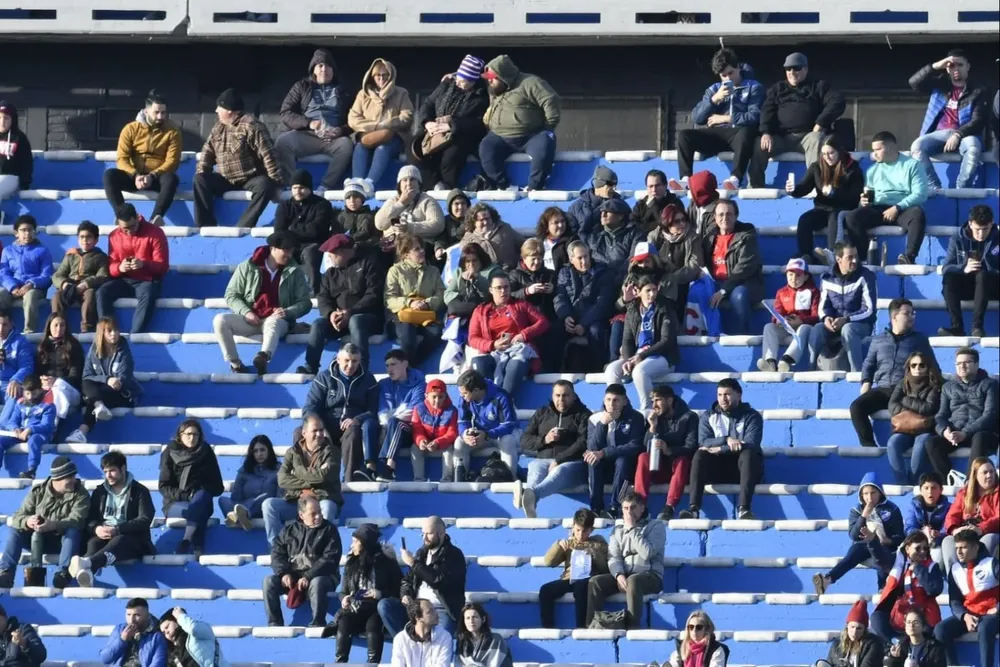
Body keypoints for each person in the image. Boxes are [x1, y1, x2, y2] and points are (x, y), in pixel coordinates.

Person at [214, 231, 311, 375]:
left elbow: (305, 302)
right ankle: (235, 364)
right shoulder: (247, 266)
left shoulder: (295, 271)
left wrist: (288, 311)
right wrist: (246, 312)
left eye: (291, 251)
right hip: (251, 318)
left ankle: (263, 356)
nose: (289, 255)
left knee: (273, 321)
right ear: (273, 248)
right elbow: (231, 295)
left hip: (279, 320)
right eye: (286, 250)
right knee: (220, 320)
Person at [750, 52, 845, 188]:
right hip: (781, 138)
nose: (792, 72)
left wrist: (820, 123)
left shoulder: (818, 86)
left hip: (807, 136)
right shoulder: (778, 89)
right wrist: (765, 131)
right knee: (760, 143)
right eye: (788, 69)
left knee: (817, 139)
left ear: (805, 69)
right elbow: (767, 110)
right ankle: (755, 187)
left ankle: (816, 185)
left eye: (797, 68)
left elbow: (837, 101)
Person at [674, 47, 764, 191]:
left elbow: (754, 116)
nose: (728, 78)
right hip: (716, 135)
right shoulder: (714, 90)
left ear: (738, 68)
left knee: (746, 132)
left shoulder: (753, 87)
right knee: (684, 136)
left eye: (731, 73)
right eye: (724, 75)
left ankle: (735, 178)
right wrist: (714, 100)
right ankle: (685, 179)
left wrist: (726, 118)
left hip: (739, 135)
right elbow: (697, 117)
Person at [194, 89, 281, 228]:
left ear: (229, 110)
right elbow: (207, 153)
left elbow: (269, 155)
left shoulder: (252, 126)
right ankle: (205, 226)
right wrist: (202, 171)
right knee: (200, 179)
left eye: (219, 107)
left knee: (266, 185)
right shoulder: (218, 127)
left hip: (250, 178)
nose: (216, 111)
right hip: (226, 179)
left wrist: (277, 183)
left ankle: (244, 225)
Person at [297, 234, 383, 375]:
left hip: (367, 318)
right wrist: (331, 314)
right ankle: (310, 367)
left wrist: (350, 312)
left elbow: (373, 295)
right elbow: (323, 298)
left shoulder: (369, 265)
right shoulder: (330, 274)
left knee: (355, 321)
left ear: (343, 252)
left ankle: (361, 367)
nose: (329, 257)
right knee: (318, 324)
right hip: (340, 321)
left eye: (332, 254)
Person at [852, 299, 932, 448]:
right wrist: (866, 381)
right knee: (856, 407)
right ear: (894, 317)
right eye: (907, 313)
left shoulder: (919, 340)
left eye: (912, 313)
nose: (912, 317)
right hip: (883, 389)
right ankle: (869, 446)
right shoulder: (878, 340)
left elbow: (932, 366)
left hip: (906, 391)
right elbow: (869, 364)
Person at [679, 379, 764, 521]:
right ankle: (693, 508)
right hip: (717, 469)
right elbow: (703, 441)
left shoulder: (752, 416)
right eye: (719, 395)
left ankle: (744, 509)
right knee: (700, 454)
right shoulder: (708, 415)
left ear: (739, 395)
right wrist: (726, 440)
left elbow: (751, 443)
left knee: (748, 454)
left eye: (727, 394)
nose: (723, 399)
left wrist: (721, 448)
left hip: (742, 470)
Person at [475, 55, 560, 192]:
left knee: (544, 148)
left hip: (532, 135)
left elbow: (550, 100)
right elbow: (467, 81)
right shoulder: (495, 88)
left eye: (492, 77)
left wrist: (549, 126)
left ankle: (535, 187)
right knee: (486, 148)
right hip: (500, 136)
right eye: (488, 77)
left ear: (503, 76)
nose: (489, 80)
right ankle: (504, 186)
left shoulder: (530, 82)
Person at [842, 131, 929, 265]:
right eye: (873, 150)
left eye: (878, 149)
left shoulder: (913, 165)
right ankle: (864, 259)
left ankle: (908, 257)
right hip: (878, 208)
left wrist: (897, 207)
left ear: (890, 148)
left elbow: (920, 194)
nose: (874, 153)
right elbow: (867, 195)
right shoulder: (872, 171)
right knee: (852, 218)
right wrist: (863, 201)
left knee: (917, 214)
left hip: (903, 208)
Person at [70, 451, 155, 587]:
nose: (108, 475)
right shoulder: (100, 492)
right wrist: (96, 528)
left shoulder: (139, 491)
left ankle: (87, 563)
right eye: (105, 471)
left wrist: (118, 529)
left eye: (112, 471)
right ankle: (88, 573)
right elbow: (90, 519)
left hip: (132, 538)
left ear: (123, 468)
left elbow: (145, 519)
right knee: (93, 543)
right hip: (105, 535)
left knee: (119, 540)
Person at [0, 456, 86, 589]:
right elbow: (18, 516)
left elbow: (78, 520)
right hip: (37, 539)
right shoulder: (38, 492)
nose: (74, 481)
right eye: (69, 478)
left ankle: (63, 573)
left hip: (61, 541)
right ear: (57, 479)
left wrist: (53, 525)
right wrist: (28, 521)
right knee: (15, 529)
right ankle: (6, 573)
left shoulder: (81, 494)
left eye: (74, 476)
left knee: (73, 531)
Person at [812, 472, 904, 595]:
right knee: (851, 556)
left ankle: (882, 587)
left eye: (873, 493)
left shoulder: (892, 509)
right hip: (864, 545)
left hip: (885, 546)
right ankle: (827, 579)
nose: (869, 498)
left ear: (880, 492)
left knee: (881, 556)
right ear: (861, 494)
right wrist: (864, 516)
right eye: (865, 494)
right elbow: (853, 535)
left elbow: (900, 536)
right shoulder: (856, 510)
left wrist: (888, 540)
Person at [909, 50, 988, 189]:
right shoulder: (939, 85)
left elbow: (978, 120)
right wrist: (935, 66)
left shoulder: (978, 90)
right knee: (916, 147)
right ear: (946, 68)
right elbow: (914, 82)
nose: (956, 68)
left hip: (965, 134)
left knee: (974, 148)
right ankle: (935, 188)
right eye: (951, 65)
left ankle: (962, 189)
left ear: (967, 66)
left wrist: (958, 134)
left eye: (960, 64)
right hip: (939, 134)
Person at [585, 491, 665, 629]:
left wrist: (632, 529)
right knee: (595, 582)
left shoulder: (656, 526)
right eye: (625, 508)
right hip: (625, 574)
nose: (629, 512)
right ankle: (592, 626)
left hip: (650, 576)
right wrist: (618, 574)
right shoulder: (617, 531)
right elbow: (613, 557)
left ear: (642, 508)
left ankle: (633, 627)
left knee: (633, 581)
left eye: (633, 507)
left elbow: (647, 553)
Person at [275, 49, 353, 190]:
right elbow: (285, 113)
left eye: (328, 66)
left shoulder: (343, 90)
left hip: (333, 138)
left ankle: (325, 186)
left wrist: (340, 130)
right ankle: (291, 186)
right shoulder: (301, 86)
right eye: (320, 66)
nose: (324, 70)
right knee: (283, 142)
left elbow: (355, 120)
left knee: (347, 145)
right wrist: (309, 123)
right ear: (314, 69)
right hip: (307, 134)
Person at [379, 516, 466, 637]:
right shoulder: (422, 553)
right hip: (417, 608)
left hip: (440, 609)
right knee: (385, 605)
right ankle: (408, 643)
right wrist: (406, 595)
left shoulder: (454, 555)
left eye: (429, 534)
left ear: (441, 534)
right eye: (422, 534)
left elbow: (437, 580)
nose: (424, 538)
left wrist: (413, 563)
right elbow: (407, 580)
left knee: (439, 640)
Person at [411, 55, 490, 190]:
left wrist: (451, 124)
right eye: (457, 78)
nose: (457, 82)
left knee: (450, 157)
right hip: (434, 131)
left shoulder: (481, 96)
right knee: (414, 149)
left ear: (472, 81)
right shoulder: (447, 84)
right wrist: (427, 123)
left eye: (462, 81)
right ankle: (434, 184)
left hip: (459, 135)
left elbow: (479, 123)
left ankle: (449, 188)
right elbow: (428, 104)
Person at [103, 91, 181, 225]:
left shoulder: (173, 132)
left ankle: (156, 217)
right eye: (156, 112)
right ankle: (122, 215)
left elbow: (172, 161)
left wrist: (153, 175)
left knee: (172, 178)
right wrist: (135, 175)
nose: (160, 116)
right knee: (109, 175)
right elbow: (122, 159)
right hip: (133, 177)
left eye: (163, 113)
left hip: (157, 178)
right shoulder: (130, 129)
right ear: (146, 111)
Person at [326, 523, 401, 663]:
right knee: (344, 624)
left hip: (376, 609)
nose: (352, 545)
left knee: (373, 628)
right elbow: (343, 591)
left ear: (365, 544)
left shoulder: (386, 563)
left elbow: (398, 591)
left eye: (356, 541)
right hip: (356, 607)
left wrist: (378, 594)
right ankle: (340, 662)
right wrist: (344, 598)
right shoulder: (351, 563)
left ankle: (373, 663)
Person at [262, 414, 343, 543]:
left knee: (326, 508)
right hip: (297, 501)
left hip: (323, 498)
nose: (319, 434)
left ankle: (319, 548)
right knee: (269, 505)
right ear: (304, 433)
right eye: (315, 431)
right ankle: (276, 548)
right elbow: (282, 479)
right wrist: (302, 491)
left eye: (321, 430)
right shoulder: (292, 452)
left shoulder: (333, 452)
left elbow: (323, 477)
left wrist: (298, 471)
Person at [303, 344, 379, 481]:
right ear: (338, 360)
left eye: (355, 361)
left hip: (350, 427)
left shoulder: (368, 380)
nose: (350, 365)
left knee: (354, 431)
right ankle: (308, 478)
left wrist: (357, 419)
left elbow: (373, 411)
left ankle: (350, 479)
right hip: (327, 425)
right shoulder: (324, 378)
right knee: (301, 431)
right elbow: (310, 408)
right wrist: (320, 427)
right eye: (347, 361)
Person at [263, 496, 342, 628]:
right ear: (301, 515)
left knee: (317, 582)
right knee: (268, 581)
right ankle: (274, 622)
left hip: (322, 577)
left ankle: (318, 621)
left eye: (320, 512)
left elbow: (330, 559)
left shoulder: (329, 530)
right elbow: (277, 553)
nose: (318, 516)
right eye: (313, 514)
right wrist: (283, 573)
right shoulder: (288, 531)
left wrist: (309, 576)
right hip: (295, 577)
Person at [516, 381, 591, 519]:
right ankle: (530, 498)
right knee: (534, 465)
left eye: (565, 395)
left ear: (573, 396)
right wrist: (545, 439)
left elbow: (584, 442)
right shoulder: (542, 413)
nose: (561, 400)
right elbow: (524, 441)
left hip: (573, 463)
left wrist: (559, 459)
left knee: (559, 470)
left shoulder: (584, 414)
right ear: (552, 396)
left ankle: (532, 494)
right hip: (544, 460)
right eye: (557, 395)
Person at [468, 272, 549, 396]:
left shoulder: (520, 305)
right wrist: (493, 345)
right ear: (490, 290)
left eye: (506, 287)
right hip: (494, 352)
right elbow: (473, 338)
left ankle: (505, 402)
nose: (503, 291)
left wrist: (523, 335)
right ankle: (489, 402)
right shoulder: (480, 311)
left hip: (518, 350)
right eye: (498, 288)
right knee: (478, 362)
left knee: (515, 364)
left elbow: (543, 322)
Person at [64, 317, 140, 444]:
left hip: (122, 393)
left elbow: (124, 376)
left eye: (116, 330)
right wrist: (107, 379)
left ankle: (82, 430)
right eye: (109, 331)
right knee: (88, 385)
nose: (113, 334)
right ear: (101, 333)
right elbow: (87, 375)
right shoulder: (95, 349)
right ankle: (99, 406)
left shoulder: (123, 350)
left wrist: (112, 381)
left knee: (94, 397)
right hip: (101, 391)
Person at [606, 276, 679, 410]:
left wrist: (642, 356)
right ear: (638, 291)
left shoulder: (665, 307)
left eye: (654, 290)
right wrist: (628, 360)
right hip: (638, 356)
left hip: (662, 357)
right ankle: (621, 408)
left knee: (639, 371)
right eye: (647, 290)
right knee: (612, 370)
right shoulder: (632, 310)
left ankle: (647, 409)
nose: (652, 294)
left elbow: (666, 340)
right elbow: (627, 339)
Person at [787, 136, 864, 262]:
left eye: (831, 153)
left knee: (835, 217)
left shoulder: (853, 168)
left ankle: (832, 254)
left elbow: (854, 196)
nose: (827, 157)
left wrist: (834, 193)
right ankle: (806, 255)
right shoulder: (817, 167)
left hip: (844, 209)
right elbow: (804, 187)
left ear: (840, 151)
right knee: (805, 220)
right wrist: (793, 190)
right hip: (822, 209)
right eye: (824, 154)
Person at [97, 203, 169, 334]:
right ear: (118, 224)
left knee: (148, 294)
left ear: (137, 217)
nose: (129, 231)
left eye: (132, 226)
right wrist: (120, 267)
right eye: (125, 229)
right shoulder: (114, 236)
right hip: (125, 280)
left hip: (148, 280)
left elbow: (163, 266)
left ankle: (135, 334)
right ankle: (108, 332)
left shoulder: (155, 233)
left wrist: (144, 264)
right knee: (102, 292)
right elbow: (111, 267)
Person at [927, 347, 998, 477]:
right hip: (957, 433)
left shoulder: (990, 384)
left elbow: (990, 415)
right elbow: (941, 415)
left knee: (980, 437)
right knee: (932, 443)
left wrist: (965, 433)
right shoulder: (948, 387)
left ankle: (970, 481)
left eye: (966, 362)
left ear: (976, 364)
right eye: (958, 363)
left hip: (983, 433)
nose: (962, 366)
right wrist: (945, 431)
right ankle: (947, 479)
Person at [807, 242, 878, 372]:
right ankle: (810, 372)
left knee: (848, 329)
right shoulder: (827, 278)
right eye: (850, 257)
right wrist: (826, 318)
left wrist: (846, 319)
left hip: (859, 325)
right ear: (838, 259)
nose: (855, 260)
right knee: (817, 329)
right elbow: (823, 307)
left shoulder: (866, 276)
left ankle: (857, 374)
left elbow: (869, 310)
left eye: (856, 256)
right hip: (835, 324)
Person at [935, 528, 999, 667]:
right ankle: (953, 665)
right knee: (940, 630)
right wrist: (964, 616)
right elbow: (955, 601)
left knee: (985, 627)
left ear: (975, 547)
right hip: (971, 614)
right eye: (957, 547)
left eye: (963, 547)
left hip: (993, 615)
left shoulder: (991, 563)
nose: (958, 552)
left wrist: (998, 609)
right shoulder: (955, 570)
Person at [159, 419, 224, 557]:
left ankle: (186, 539)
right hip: (174, 503)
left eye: (196, 434)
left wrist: (202, 488)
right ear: (180, 435)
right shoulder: (170, 452)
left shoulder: (206, 452)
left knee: (201, 497)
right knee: (199, 511)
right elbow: (163, 486)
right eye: (188, 434)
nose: (192, 437)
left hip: (201, 500)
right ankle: (197, 546)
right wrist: (186, 496)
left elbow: (218, 487)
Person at [634, 386, 698, 521]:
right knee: (643, 457)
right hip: (658, 467)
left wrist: (669, 450)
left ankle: (669, 506)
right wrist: (652, 427)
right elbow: (645, 446)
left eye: (658, 400)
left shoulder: (689, 417)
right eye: (652, 401)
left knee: (682, 460)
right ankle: (640, 506)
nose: (654, 405)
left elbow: (691, 447)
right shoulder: (655, 418)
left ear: (669, 400)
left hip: (680, 470)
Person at [538, 508, 609, 629]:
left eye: (585, 531)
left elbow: (606, 569)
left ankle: (581, 627)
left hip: (588, 579)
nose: (580, 535)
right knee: (545, 590)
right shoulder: (568, 543)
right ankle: (548, 628)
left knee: (581, 587)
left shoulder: (598, 543)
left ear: (591, 530)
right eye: (578, 530)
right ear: (573, 527)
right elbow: (549, 562)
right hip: (569, 578)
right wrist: (558, 546)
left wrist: (595, 554)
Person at [702, 199, 764, 334]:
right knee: (696, 291)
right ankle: (703, 333)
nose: (725, 218)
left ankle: (743, 335)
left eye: (729, 214)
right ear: (715, 217)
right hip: (715, 282)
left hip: (741, 283)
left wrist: (723, 290)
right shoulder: (709, 237)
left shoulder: (746, 235)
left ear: (736, 216)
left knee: (739, 296)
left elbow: (745, 268)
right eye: (721, 214)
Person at [870, 531, 944, 643]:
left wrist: (918, 569)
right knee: (877, 618)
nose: (922, 552)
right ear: (908, 548)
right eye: (918, 548)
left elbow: (934, 589)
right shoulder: (899, 563)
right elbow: (881, 559)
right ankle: (894, 644)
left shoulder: (932, 566)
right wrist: (872, 541)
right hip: (900, 613)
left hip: (924, 615)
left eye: (925, 548)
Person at [348, 58, 413, 186]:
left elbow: (407, 116)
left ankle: (369, 182)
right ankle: (356, 182)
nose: (381, 78)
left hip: (394, 137)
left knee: (382, 149)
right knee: (360, 147)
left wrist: (387, 125)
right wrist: (376, 126)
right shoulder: (363, 94)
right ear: (372, 76)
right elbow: (353, 118)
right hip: (369, 136)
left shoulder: (401, 93)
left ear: (391, 76)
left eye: (385, 75)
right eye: (378, 75)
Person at [586, 383, 645, 520]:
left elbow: (634, 446)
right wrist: (602, 424)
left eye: (616, 400)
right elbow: (592, 447)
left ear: (624, 401)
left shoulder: (635, 417)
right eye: (608, 400)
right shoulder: (595, 419)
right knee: (592, 460)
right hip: (605, 466)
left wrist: (604, 452)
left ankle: (615, 506)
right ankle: (596, 508)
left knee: (622, 460)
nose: (611, 404)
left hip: (626, 466)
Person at [385, 233, 445, 367]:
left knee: (435, 334)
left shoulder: (433, 271)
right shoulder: (395, 271)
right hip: (401, 317)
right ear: (406, 254)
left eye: (421, 247)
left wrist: (428, 302)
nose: (422, 251)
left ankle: (411, 367)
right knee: (407, 338)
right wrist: (409, 302)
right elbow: (389, 298)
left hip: (425, 316)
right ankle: (407, 371)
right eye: (417, 249)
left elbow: (442, 294)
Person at [273, 169, 336, 294]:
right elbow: (279, 231)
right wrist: (299, 231)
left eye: (301, 187)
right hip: (290, 244)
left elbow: (317, 230)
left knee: (310, 253)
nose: (297, 191)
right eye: (294, 187)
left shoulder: (322, 204)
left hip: (314, 244)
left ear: (309, 188)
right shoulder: (284, 206)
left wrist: (292, 229)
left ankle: (314, 292)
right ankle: (278, 291)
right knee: (274, 252)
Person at [554, 242, 616, 370]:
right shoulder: (564, 273)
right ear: (571, 259)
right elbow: (560, 297)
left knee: (596, 331)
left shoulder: (602, 273)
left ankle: (598, 369)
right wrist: (566, 316)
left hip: (592, 319)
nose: (584, 261)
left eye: (586, 256)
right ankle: (554, 370)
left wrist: (584, 323)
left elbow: (602, 303)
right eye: (579, 258)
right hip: (572, 317)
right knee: (554, 330)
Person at [366, 349, 425, 482]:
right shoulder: (384, 384)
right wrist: (396, 414)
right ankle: (370, 468)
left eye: (393, 364)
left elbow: (414, 412)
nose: (389, 369)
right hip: (387, 427)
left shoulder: (419, 384)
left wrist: (393, 416)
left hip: (409, 429)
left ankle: (389, 468)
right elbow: (382, 412)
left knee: (395, 422)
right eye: (387, 366)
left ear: (405, 364)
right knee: (369, 424)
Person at [939, 204, 998, 338]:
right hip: (968, 285)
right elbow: (946, 267)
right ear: (970, 223)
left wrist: (988, 269)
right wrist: (964, 267)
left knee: (983, 275)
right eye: (977, 229)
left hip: (992, 286)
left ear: (992, 223)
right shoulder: (958, 238)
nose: (981, 234)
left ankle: (977, 327)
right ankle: (957, 327)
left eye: (985, 229)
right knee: (949, 278)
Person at [886, 351, 943, 484]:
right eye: (914, 365)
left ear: (928, 367)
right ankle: (901, 483)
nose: (917, 368)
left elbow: (929, 408)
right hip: (904, 428)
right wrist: (912, 410)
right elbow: (892, 405)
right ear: (909, 367)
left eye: (921, 365)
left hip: (926, 428)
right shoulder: (903, 383)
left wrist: (905, 400)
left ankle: (912, 483)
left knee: (921, 444)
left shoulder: (935, 384)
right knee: (892, 444)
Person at [452, 369, 518, 480]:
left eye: (464, 393)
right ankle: (460, 481)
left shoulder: (501, 396)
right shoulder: (464, 400)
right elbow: (462, 422)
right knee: (459, 442)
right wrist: (465, 434)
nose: (461, 396)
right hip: (481, 435)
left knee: (508, 440)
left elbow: (509, 425)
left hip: (500, 435)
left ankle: (510, 479)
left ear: (476, 390)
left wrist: (487, 434)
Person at [758, 257, 820, 372]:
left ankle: (787, 360)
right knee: (769, 327)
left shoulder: (814, 292)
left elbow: (816, 316)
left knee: (804, 328)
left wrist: (802, 320)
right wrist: (779, 321)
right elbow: (777, 312)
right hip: (786, 328)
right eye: (790, 275)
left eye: (798, 275)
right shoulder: (781, 292)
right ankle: (770, 361)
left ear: (806, 276)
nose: (793, 279)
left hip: (804, 328)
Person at [940, 457, 998, 572]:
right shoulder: (964, 493)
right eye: (985, 472)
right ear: (975, 475)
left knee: (988, 539)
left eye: (991, 472)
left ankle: (983, 578)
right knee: (948, 541)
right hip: (967, 532)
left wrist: (981, 529)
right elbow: (951, 516)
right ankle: (954, 579)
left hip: (989, 532)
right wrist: (955, 530)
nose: (989, 475)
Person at [648, 204, 703, 323]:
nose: (682, 224)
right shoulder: (655, 237)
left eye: (684, 220)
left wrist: (672, 279)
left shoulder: (692, 238)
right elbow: (648, 261)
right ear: (667, 223)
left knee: (676, 290)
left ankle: (673, 325)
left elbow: (694, 265)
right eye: (677, 221)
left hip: (682, 280)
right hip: (659, 279)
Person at [51, 221, 110, 332]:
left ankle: (86, 327)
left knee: (90, 294)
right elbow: (57, 275)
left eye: (89, 237)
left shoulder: (101, 257)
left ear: (96, 240)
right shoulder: (71, 256)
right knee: (57, 296)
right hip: (70, 287)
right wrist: (64, 284)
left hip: (87, 287)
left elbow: (103, 276)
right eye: (82, 237)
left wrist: (85, 284)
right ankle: (58, 327)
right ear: (78, 239)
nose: (85, 240)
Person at [1, 215, 54, 336]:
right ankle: (3, 328)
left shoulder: (43, 250)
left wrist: (31, 284)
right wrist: (12, 287)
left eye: (30, 230)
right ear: (16, 233)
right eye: (23, 230)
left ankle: (29, 331)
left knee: (30, 297)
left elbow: (47, 275)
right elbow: (4, 273)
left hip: (35, 288)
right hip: (14, 287)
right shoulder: (8, 250)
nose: (27, 233)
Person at [0, 374, 55, 479]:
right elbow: (11, 421)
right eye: (27, 393)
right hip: (20, 434)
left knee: (34, 440)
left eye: (34, 393)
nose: (30, 397)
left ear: (40, 390)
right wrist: (15, 428)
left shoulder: (48, 406)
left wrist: (30, 430)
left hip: (39, 434)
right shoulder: (20, 403)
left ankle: (31, 470)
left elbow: (47, 425)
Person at [218, 435, 278, 530]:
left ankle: (237, 516)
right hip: (241, 505)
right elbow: (235, 497)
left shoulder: (278, 470)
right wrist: (239, 506)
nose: (259, 454)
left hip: (263, 509)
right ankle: (239, 515)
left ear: (269, 451)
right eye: (255, 451)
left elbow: (279, 497)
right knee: (223, 500)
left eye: (262, 450)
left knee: (265, 499)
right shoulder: (244, 471)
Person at [374, 165, 445, 244]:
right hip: (393, 246)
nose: (408, 183)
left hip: (419, 246)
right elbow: (379, 224)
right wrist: (401, 203)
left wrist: (409, 227)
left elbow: (438, 225)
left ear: (419, 184)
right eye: (404, 180)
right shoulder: (393, 200)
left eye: (412, 179)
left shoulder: (427, 200)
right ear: (399, 185)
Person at [35, 313, 84, 422]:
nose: (59, 329)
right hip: (48, 389)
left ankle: (53, 423)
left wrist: (55, 380)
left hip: (70, 390)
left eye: (62, 325)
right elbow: (37, 373)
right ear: (49, 327)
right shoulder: (42, 347)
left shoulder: (73, 346)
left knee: (59, 385)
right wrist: (42, 381)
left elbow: (75, 376)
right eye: (55, 325)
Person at [410, 378, 459, 483]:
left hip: (442, 443)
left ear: (446, 396)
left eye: (441, 397)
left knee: (449, 449)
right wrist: (421, 441)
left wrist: (438, 442)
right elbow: (417, 429)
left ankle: (447, 479)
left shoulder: (452, 410)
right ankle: (418, 480)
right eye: (434, 397)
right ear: (426, 396)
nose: (437, 400)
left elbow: (452, 433)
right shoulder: (418, 408)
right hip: (426, 443)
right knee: (415, 448)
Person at [814, 601, 885, 667]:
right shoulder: (836, 645)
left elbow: (867, 665)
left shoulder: (873, 644)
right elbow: (830, 663)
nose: (854, 632)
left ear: (865, 629)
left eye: (859, 628)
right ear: (847, 626)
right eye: (852, 627)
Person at [99, 597, 166, 667]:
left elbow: (158, 663)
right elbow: (105, 659)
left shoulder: (156, 635)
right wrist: (122, 640)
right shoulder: (119, 629)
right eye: (128, 615)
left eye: (137, 615)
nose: (131, 620)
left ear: (147, 616)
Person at [585, 198, 642, 279]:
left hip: (622, 282)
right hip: (597, 282)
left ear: (620, 216)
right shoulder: (594, 235)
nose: (603, 215)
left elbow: (632, 260)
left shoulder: (635, 234)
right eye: (601, 211)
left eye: (607, 212)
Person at [389, 599, 453, 667]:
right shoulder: (400, 639)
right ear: (418, 618)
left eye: (434, 609)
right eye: (430, 611)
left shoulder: (444, 637)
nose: (436, 613)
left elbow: (443, 665)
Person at [903, 472, 951, 561]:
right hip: (917, 543)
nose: (930, 492)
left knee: (937, 556)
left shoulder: (948, 507)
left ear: (941, 490)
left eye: (934, 488)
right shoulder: (913, 505)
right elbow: (909, 527)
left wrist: (937, 534)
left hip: (937, 544)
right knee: (903, 552)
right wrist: (923, 533)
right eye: (926, 488)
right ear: (921, 490)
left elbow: (948, 528)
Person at [158, 607, 230, 667]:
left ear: (177, 621)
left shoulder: (197, 633)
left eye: (167, 627)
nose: (166, 632)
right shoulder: (173, 654)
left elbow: (193, 628)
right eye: (163, 632)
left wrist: (181, 616)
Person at [461, 203, 524, 270]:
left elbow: (523, 244)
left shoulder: (505, 229)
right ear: (473, 222)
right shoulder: (468, 239)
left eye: (487, 219)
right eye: (481, 220)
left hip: (509, 271)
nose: (485, 222)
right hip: (484, 275)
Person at [568, 165, 625, 236]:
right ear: (600, 184)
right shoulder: (576, 208)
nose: (614, 188)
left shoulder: (620, 205)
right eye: (610, 184)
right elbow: (570, 236)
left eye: (615, 184)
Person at [455, 603, 513, 667]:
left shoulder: (496, 640)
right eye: (467, 618)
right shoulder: (461, 642)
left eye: (475, 617)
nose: (471, 621)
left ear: (483, 619)